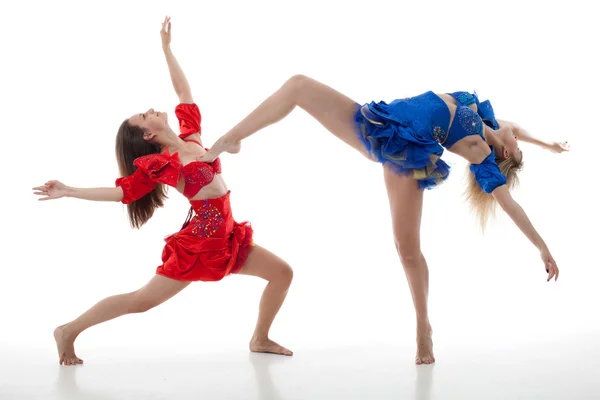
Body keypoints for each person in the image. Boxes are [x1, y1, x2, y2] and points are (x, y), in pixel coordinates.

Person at [198, 75, 569, 365]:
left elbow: (510, 204)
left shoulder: (483, 153)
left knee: (407, 249)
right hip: (381, 121)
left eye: (517, 145)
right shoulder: (486, 117)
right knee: (299, 85)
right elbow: (517, 128)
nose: (518, 136)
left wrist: (542, 246)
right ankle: (232, 138)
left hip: (407, 155)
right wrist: (548, 144)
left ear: (505, 152)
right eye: (519, 140)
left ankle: (423, 325)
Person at [32, 17, 294, 366]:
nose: (152, 109)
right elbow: (121, 194)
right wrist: (69, 190)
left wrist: (167, 49)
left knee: (282, 273)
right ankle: (68, 330)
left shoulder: (192, 139)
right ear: (149, 137)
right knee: (139, 301)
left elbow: (183, 92)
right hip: (201, 244)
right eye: (145, 115)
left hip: (228, 235)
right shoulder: (161, 164)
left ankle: (259, 338)